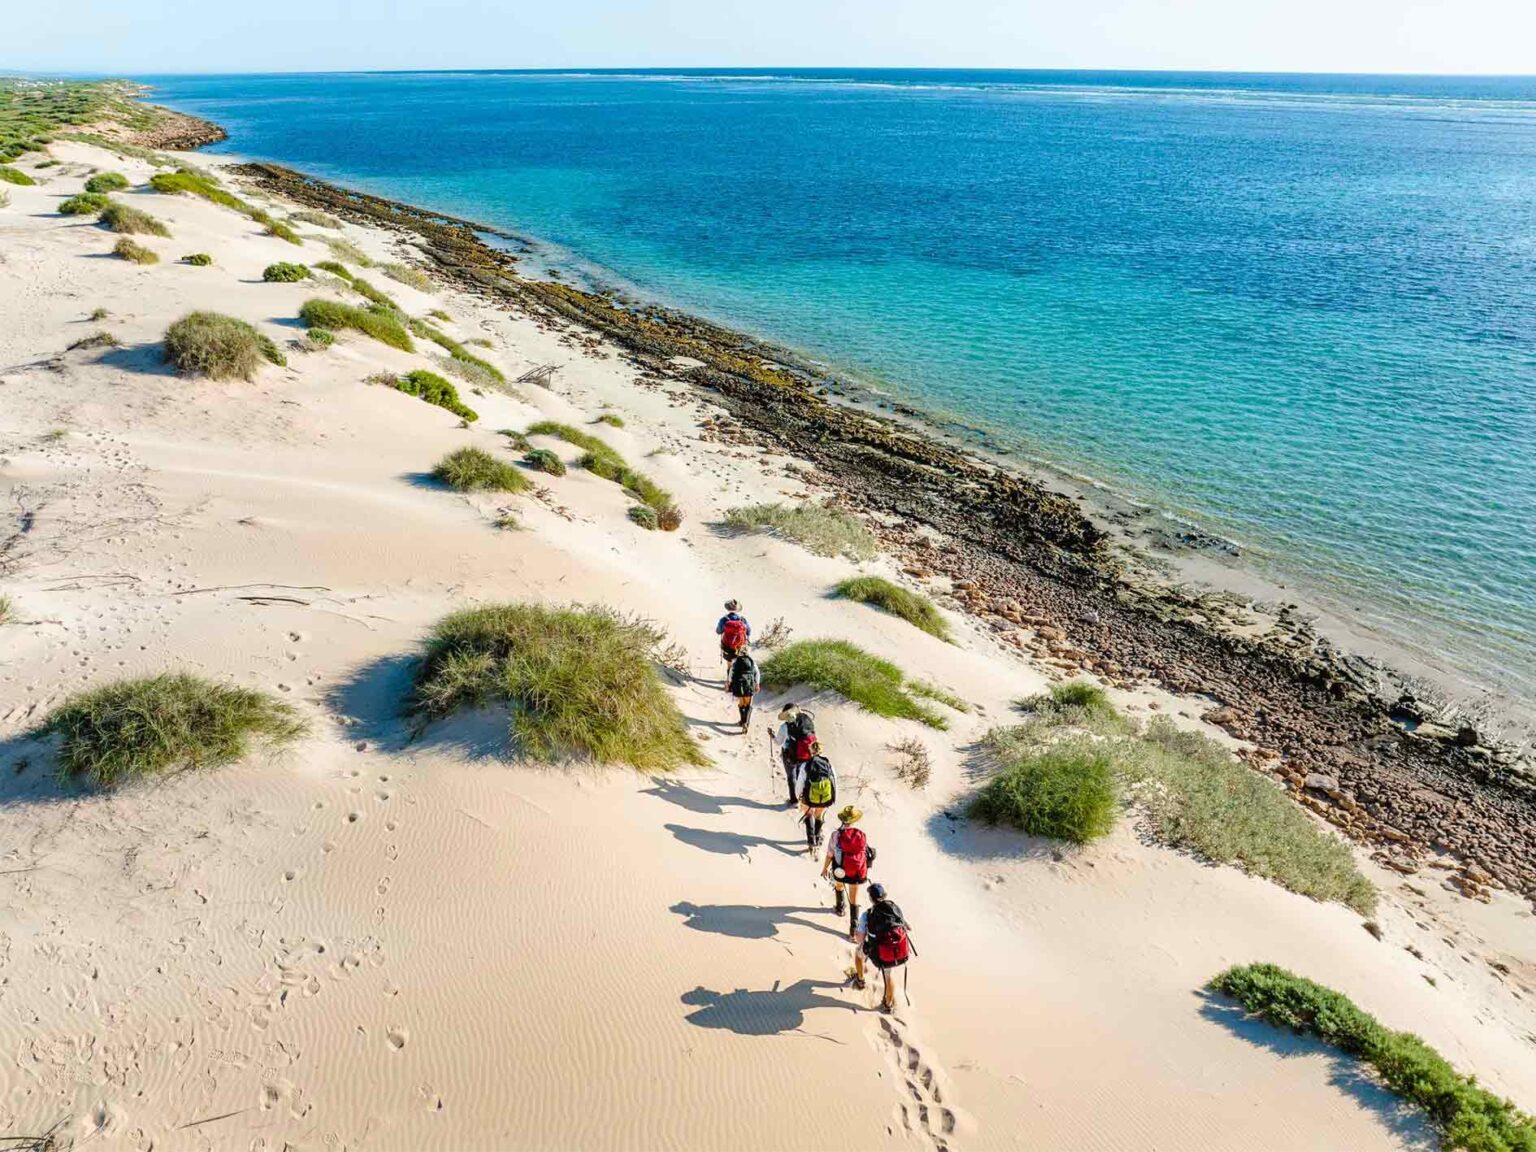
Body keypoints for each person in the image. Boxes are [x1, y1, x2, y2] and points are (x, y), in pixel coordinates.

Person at [854, 883, 911, 1014]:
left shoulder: (867, 915)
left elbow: (860, 939)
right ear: (884, 895)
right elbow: (907, 926)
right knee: (889, 975)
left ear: (871, 898)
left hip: (879, 952)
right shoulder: (895, 908)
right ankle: (888, 1004)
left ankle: (861, 980)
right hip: (897, 950)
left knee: (858, 954)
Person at [821, 805, 875, 940]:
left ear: (842, 820)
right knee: (854, 899)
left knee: (839, 886)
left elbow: (830, 854)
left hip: (840, 870)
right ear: (854, 820)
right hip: (857, 872)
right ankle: (853, 931)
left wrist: (824, 868)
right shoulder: (861, 835)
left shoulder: (836, 835)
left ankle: (840, 908)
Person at [792, 743, 837, 853]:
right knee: (819, 816)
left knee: (809, 815)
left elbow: (800, 783)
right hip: (825, 796)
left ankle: (811, 842)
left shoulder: (806, 765)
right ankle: (817, 838)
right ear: (821, 751)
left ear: (810, 751)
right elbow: (834, 781)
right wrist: (833, 796)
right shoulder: (828, 765)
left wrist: (798, 796)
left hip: (809, 796)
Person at [770, 704, 815, 805]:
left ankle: (794, 800)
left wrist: (772, 735)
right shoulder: (806, 722)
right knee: (801, 776)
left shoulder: (784, 727)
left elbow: (778, 742)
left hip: (790, 755)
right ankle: (803, 797)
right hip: (805, 754)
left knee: (791, 777)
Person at [725, 643, 760, 732]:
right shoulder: (752, 662)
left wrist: (728, 683)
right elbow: (757, 674)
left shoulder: (736, 662)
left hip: (738, 685)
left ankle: (742, 721)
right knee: (748, 705)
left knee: (742, 703)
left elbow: (731, 673)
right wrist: (757, 684)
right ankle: (745, 723)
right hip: (749, 685)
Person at [715, 600, 750, 667]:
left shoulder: (723, 619)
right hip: (740, 645)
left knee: (729, 663)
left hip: (727, 645)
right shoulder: (742, 619)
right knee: (741, 662)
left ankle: (729, 675)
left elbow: (718, 631)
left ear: (727, 609)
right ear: (737, 609)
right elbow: (748, 631)